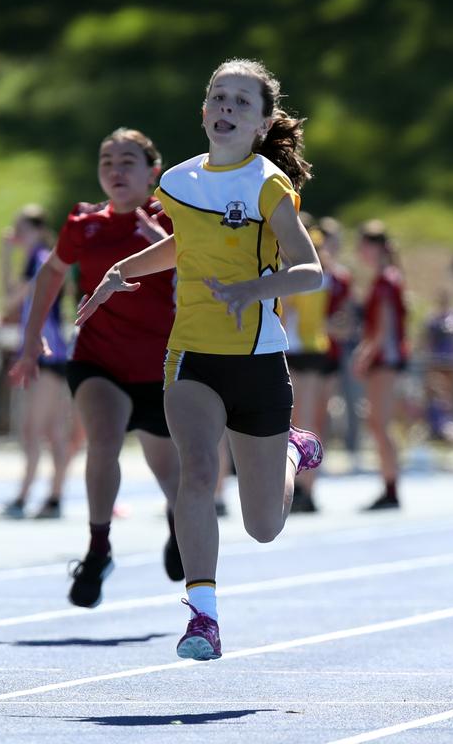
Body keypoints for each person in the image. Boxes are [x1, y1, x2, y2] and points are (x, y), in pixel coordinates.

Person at [77, 58, 325, 660]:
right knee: (196, 471)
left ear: (264, 122)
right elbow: (181, 247)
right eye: (219, 97)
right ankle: (202, 617)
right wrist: (117, 272)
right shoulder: (182, 183)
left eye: (242, 101)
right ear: (204, 110)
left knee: (263, 526)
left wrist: (250, 290)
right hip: (191, 354)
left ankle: (290, 449)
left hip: (259, 361)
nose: (227, 108)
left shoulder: (269, 185)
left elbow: (310, 272)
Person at [10, 127, 184, 607]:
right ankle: (98, 547)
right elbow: (50, 275)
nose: (115, 170)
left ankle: (177, 524)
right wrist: (30, 345)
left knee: (170, 474)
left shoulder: (173, 220)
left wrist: (165, 243)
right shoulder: (83, 223)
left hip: (161, 365)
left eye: (127, 161)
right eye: (107, 161)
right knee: (102, 441)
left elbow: (207, 278)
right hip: (98, 357)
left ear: (152, 172)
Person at [0, 206, 76, 520]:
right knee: (52, 430)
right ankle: (53, 497)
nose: (16, 235)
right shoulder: (36, 261)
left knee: (34, 429)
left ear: (36, 230)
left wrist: (6, 256)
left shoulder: (43, 260)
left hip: (48, 353)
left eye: (21, 229)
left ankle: (25, 496)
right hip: (44, 352)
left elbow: (10, 301)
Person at [284, 220, 352, 512]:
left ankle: (305, 489)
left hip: (306, 351)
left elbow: (287, 312)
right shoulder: (316, 275)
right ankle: (302, 487)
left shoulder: (312, 277)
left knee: (305, 423)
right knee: (303, 422)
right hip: (303, 350)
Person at [354, 220, 409, 510]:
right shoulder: (385, 278)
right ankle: (389, 482)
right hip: (385, 358)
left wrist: (365, 355)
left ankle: (391, 485)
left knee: (380, 422)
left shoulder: (386, 280)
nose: (359, 252)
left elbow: (384, 328)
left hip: (385, 360)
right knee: (378, 422)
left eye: (362, 245)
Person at [422, 288, 453, 440]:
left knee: (449, 396)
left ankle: (448, 426)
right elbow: (427, 339)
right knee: (433, 394)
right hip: (435, 362)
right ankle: (434, 427)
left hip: (450, 363)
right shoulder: (432, 318)